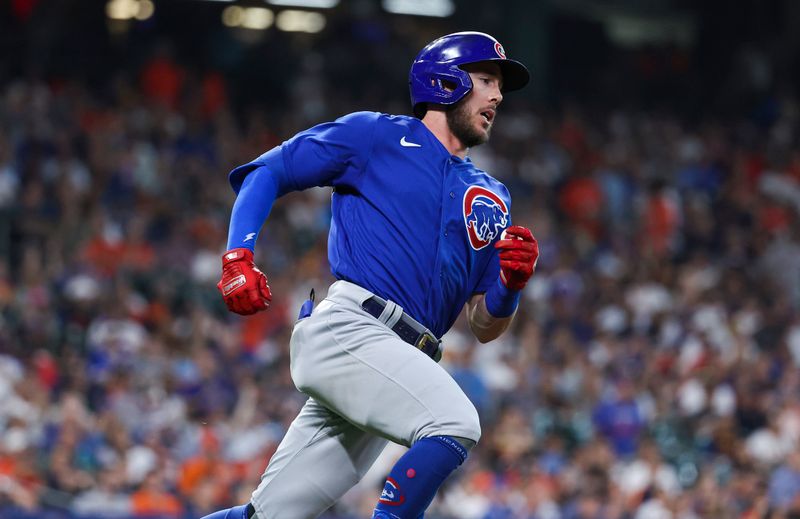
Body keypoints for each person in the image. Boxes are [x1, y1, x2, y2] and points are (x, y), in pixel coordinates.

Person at [205, 31, 539, 519]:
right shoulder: (375, 136)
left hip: (400, 359)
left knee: (268, 516)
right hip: (352, 329)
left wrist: (509, 287)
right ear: (444, 81)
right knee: (455, 421)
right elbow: (267, 173)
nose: (498, 95)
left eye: (499, 86)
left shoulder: (493, 195)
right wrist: (238, 256)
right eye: (487, 79)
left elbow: (485, 327)